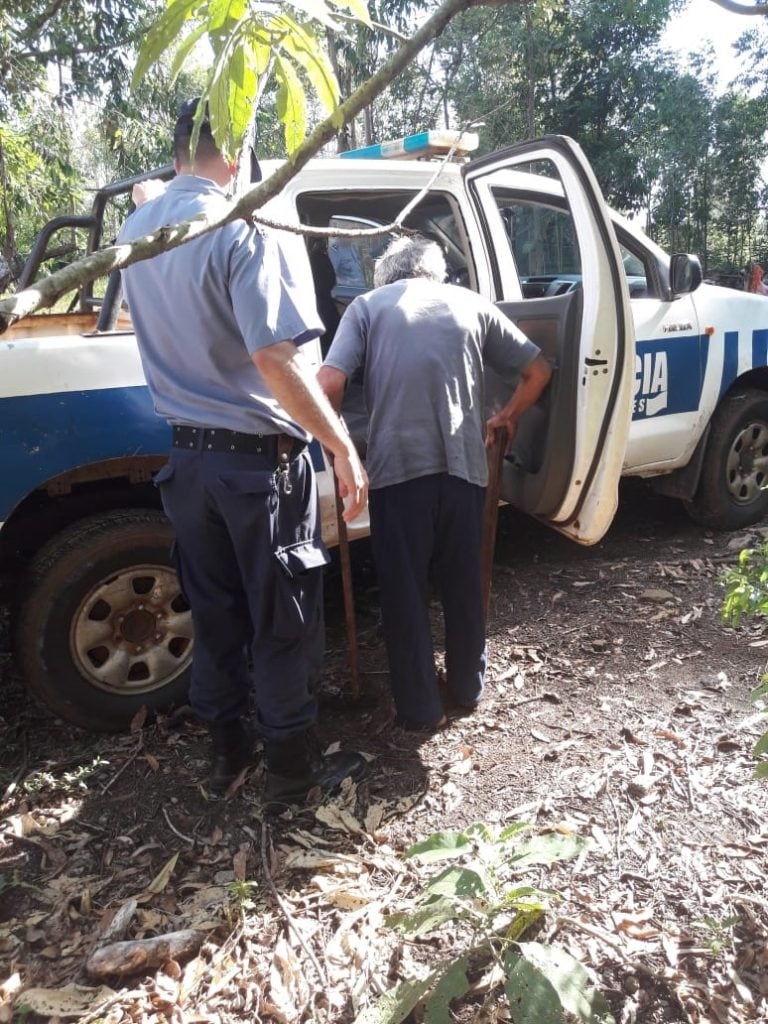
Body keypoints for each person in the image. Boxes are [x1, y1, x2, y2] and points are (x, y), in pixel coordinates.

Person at [118, 99, 369, 802]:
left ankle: (226, 756)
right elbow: (275, 358)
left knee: (217, 615)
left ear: (175, 157)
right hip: (257, 469)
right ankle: (291, 772)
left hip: (188, 467)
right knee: (284, 621)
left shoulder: (137, 230)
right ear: (235, 157)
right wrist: (341, 444)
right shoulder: (240, 221)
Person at [317, 236, 552, 732]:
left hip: (398, 475)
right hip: (465, 471)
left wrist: (340, 453)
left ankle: (421, 710)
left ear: (387, 275)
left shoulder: (365, 307)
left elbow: (329, 385)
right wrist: (506, 417)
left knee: (405, 594)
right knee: (464, 587)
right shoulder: (472, 303)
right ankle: (467, 688)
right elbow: (538, 370)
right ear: (436, 273)